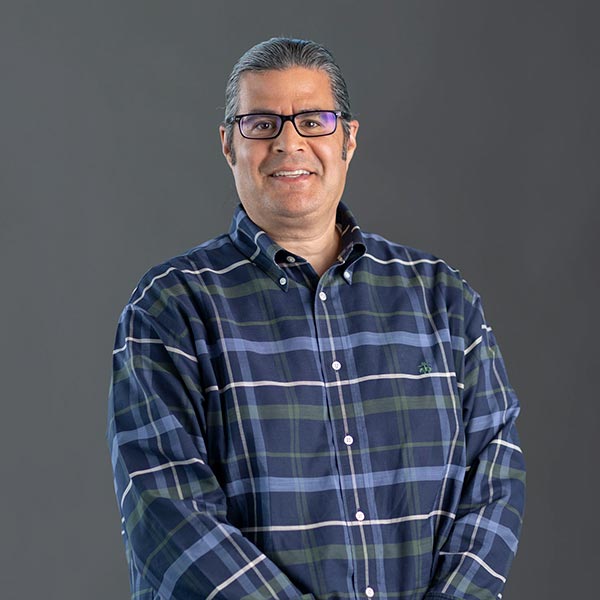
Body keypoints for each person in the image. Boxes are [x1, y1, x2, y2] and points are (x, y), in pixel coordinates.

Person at [108, 37, 525, 600]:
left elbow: (494, 481)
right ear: (229, 144)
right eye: (261, 124)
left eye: (313, 120)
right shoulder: (170, 308)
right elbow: (169, 516)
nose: (288, 142)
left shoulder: (442, 299)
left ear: (348, 139)